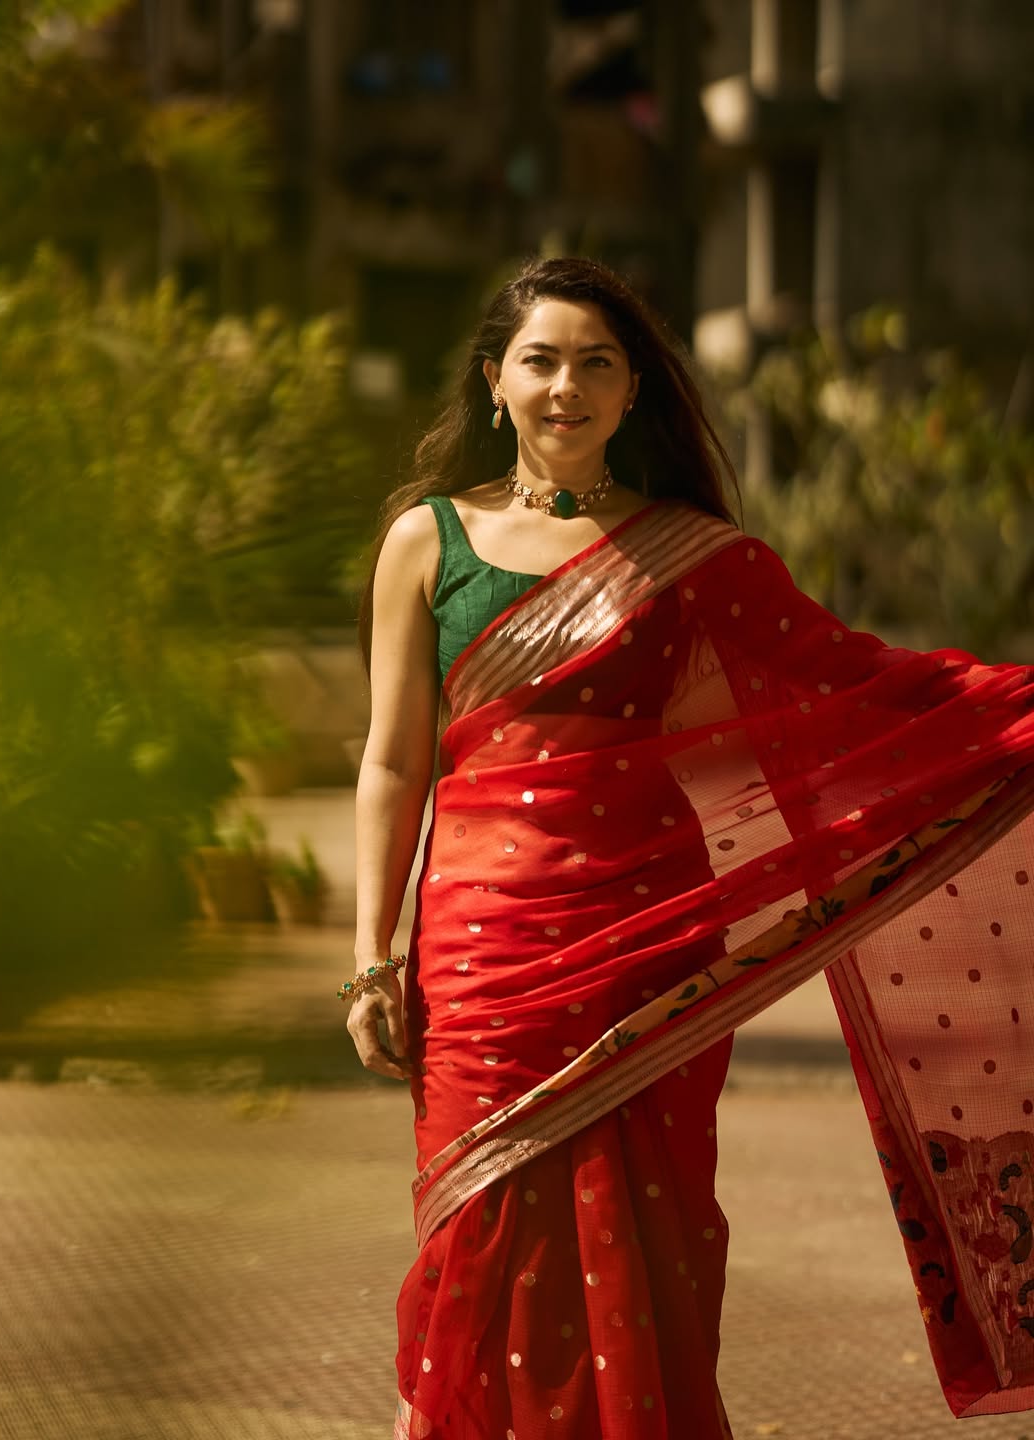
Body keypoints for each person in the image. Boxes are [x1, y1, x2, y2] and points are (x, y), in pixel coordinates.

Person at [346, 256, 1034, 1439]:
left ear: (632, 393)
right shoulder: (426, 539)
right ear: (495, 379)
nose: (567, 386)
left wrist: (1011, 714)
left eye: (596, 364)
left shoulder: (689, 555)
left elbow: (856, 683)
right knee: (478, 1230)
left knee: (646, 1235)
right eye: (542, 360)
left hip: (642, 939)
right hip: (481, 958)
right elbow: (395, 762)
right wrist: (372, 956)